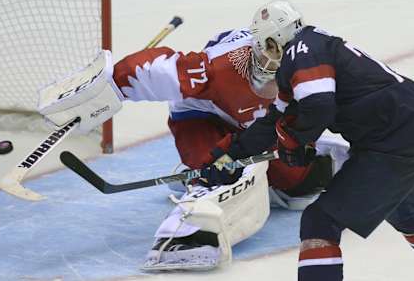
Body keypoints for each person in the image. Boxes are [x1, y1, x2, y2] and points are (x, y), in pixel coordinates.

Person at [38, 21, 349, 270]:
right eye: (264, 55)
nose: (269, 65)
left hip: (258, 129)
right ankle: (192, 220)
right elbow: (156, 69)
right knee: (214, 169)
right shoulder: (221, 67)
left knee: (301, 182)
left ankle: (302, 168)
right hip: (202, 117)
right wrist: (110, 87)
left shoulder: (309, 70)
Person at [206, 0, 414, 280]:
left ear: (276, 39)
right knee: (408, 214)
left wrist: (295, 141)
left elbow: (319, 106)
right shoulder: (305, 53)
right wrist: (227, 157)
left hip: (393, 140)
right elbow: (274, 122)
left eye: (265, 44)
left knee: (320, 221)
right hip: (411, 129)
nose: (263, 53)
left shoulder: (300, 50)